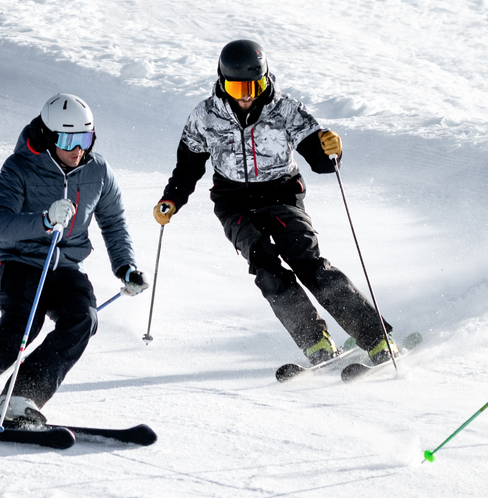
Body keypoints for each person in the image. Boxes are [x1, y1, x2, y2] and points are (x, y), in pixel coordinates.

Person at [154, 39, 392, 366]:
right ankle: (315, 340)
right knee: (265, 267)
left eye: (256, 84)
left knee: (307, 262)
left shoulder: (285, 110)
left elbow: (321, 162)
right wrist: (171, 199)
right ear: (223, 83)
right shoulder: (205, 115)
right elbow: (188, 166)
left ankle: (376, 337)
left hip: (281, 194)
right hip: (233, 202)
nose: (248, 93)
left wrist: (331, 149)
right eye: (238, 87)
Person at [0, 94, 145, 428]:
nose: (78, 149)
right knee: (22, 328)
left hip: (65, 267)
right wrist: (44, 221)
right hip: (20, 261)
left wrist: (125, 266)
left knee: (83, 319)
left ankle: (20, 396)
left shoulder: (99, 172)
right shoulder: (19, 167)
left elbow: (114, 222)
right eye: (68, 140)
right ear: (50, 137)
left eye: (85, 139)